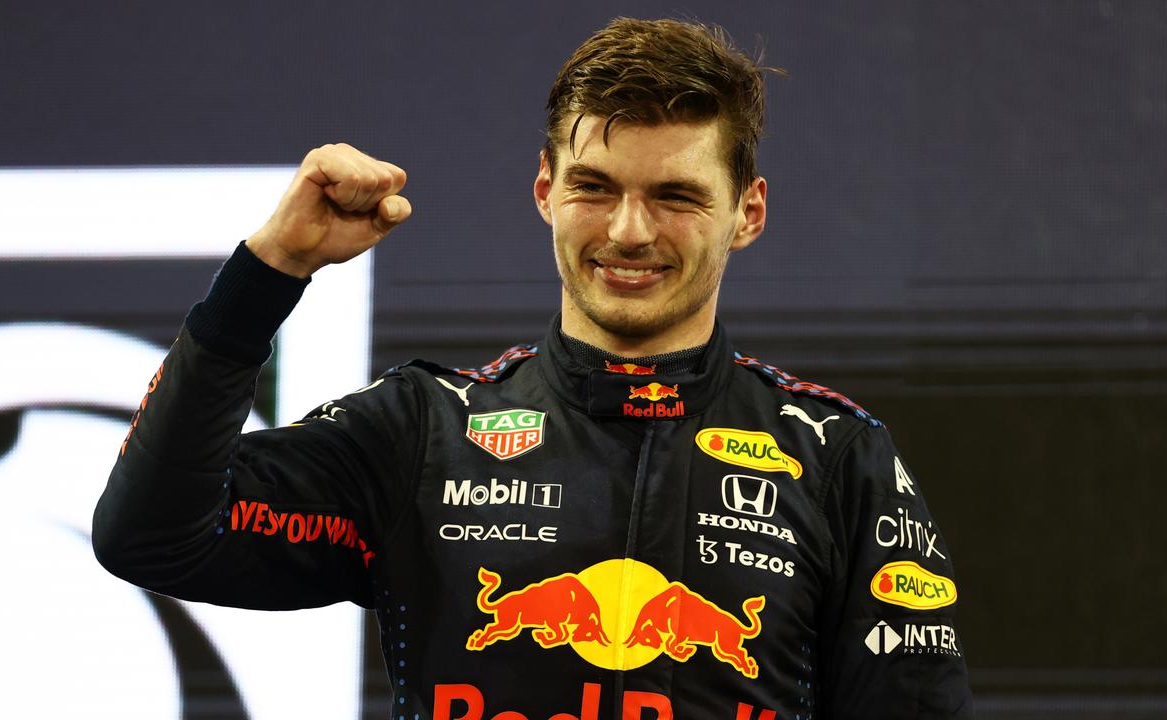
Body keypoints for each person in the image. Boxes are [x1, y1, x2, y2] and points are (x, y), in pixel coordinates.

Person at [93, 17, 974, 719]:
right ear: (545, 189)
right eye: (596, 187)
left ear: (747, 212)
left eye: (674, 196)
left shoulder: (837, 460)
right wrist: (269, 271)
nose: (629, 231)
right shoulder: (422, 432)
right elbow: (154, 536)